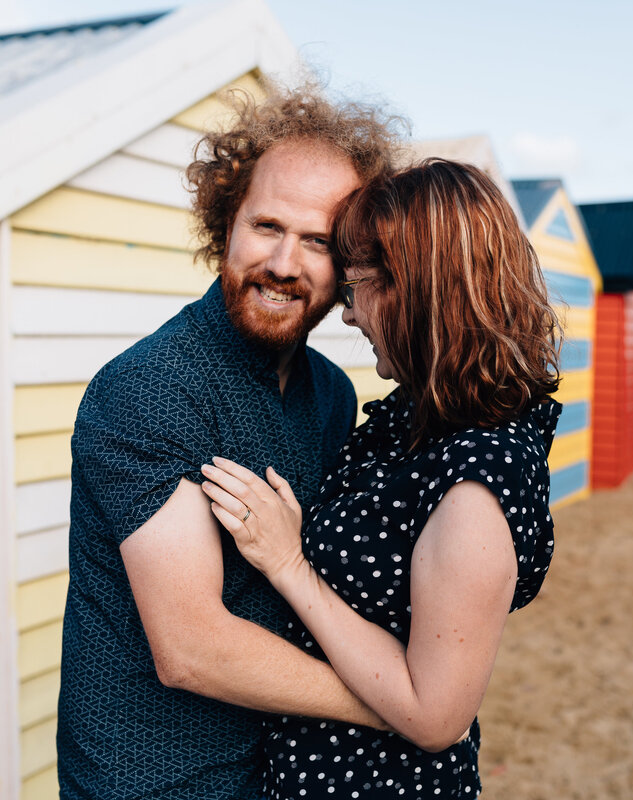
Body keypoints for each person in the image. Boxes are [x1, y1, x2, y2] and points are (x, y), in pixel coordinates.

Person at [56, 85, 404, 800]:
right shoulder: (150, 389)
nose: (283, 262)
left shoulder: (332, 395)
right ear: (225, 223)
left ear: (350, 265)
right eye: (266, 226)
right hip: (152, 783)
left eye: (317, 241)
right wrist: (397, 705)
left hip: (276, 771)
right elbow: (191, 650)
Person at [201, 158, 563, 798]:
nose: (347, 314)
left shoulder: (477, 485)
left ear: (417, 291)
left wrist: (289, 565)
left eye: (359, 284)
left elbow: (436, 717)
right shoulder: (413, 420)